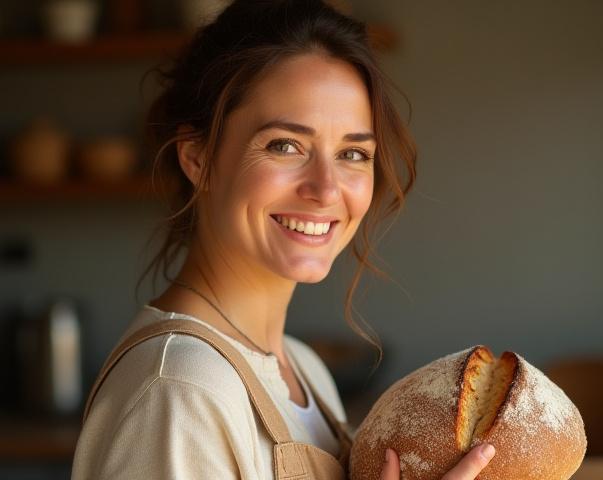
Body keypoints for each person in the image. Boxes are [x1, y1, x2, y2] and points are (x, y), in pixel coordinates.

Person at [71, 1, 495, 478]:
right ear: (199, 159)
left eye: (353, 153)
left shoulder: (306, 371)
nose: (327, 189)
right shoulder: (180, 387)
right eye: (285, 145)